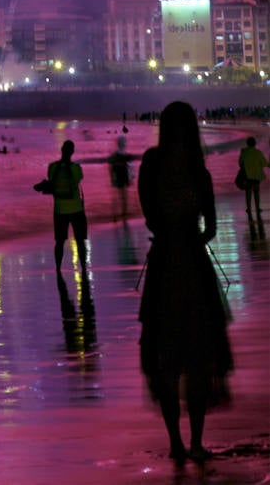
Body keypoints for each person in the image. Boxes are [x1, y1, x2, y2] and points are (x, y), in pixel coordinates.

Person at [138, 100, 233, 466]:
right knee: (199, 355)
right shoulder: (199, 170)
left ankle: (177, 443)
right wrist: (191, 237)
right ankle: (194, 442)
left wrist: (167, 233)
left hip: (164, 262)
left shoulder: (151, 163)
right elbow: (211, 226)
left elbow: (148, 214)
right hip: (193, 264)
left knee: (164, 356)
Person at [47, 139, 88, 276]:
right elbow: (78, 180)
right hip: (76, 208)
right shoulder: (76, 168)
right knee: (80, 241)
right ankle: (84, 267)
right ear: (72, 152)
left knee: (59, 241)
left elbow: (51, 181)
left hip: (59, 209)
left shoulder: (52, 167)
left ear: (61, 150)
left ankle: (58, 268)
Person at [238, 135, 268, 224]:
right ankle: (258, 207)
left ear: (247, 144)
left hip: (247, 175)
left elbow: (240, 163)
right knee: (256, 191)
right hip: (256, 175)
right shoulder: (258, 152)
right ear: (255, 144)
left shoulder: (244, 152)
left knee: (248, 192)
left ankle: (248, 208)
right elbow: (264, 163)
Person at [108, 135, 134, 220]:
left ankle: (124, 210)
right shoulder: (123, 156)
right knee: (123, 194)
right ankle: (124, 211)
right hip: (122, 176)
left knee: (123, 194)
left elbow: (112, 168)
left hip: (122, 176)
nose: (124, 144)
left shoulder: (116, 156)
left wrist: (112, 178)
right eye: (123, 142)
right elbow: (129, 166)